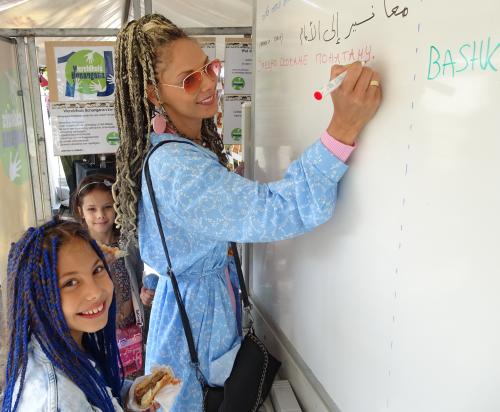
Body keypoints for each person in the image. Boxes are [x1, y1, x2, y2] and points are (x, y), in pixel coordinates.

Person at [112, 14, 381, 411]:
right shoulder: (179, 168)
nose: (209, 84)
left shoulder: (172, 150)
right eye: (190, 79)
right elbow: (281, 210)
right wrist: (342, 128)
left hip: (190, 320)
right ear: (153, 93)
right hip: (195, 329)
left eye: (209, 68)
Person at [1, 219, 124, 411]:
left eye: (97, 269)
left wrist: (130, 398)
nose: (95, 292)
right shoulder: (57, 400)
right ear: (37, 298)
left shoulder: (68, 344)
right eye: (71, 283)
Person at [72, 174, 151, 377]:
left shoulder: (130, 244)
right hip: (98, 336)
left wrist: (146, 294)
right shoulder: (77, 251)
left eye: (107, 207)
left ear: (117, 206)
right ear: (80, 211)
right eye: (92, 209)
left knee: (136, 383)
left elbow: (142, 279)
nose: (100, 215)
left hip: (134, 333)